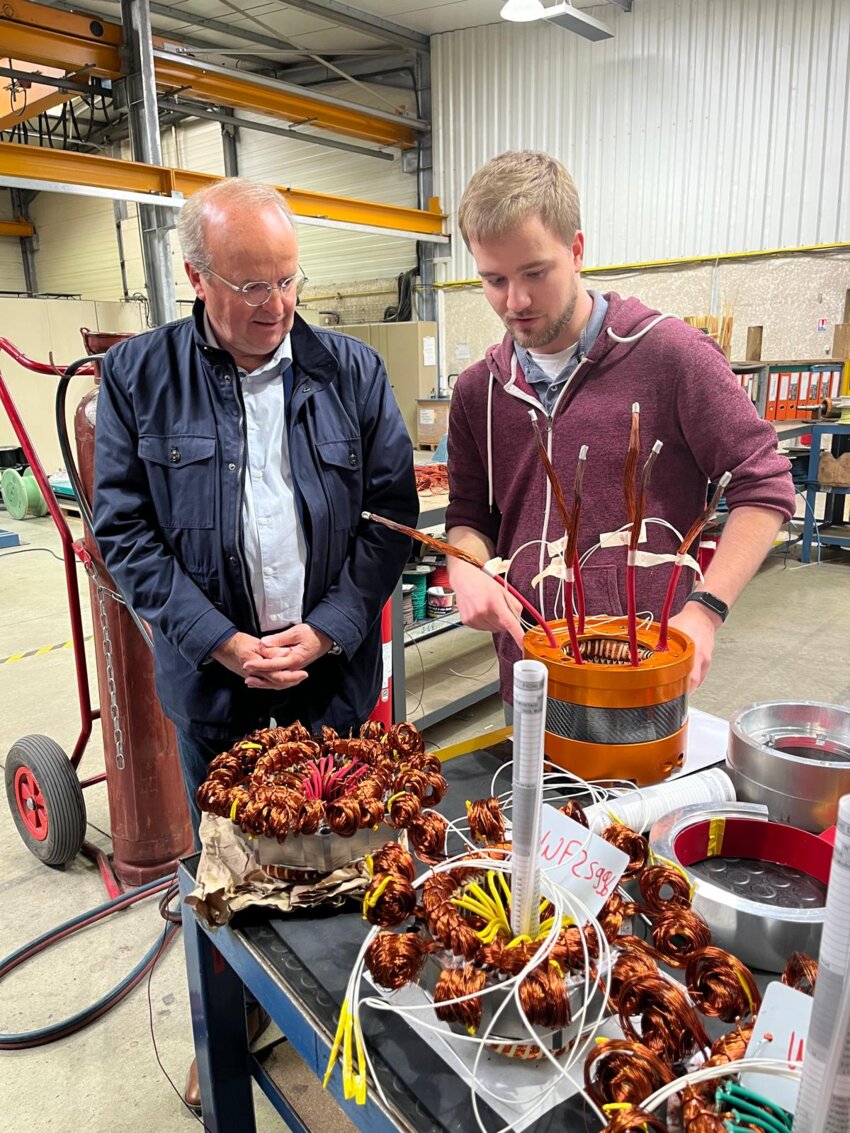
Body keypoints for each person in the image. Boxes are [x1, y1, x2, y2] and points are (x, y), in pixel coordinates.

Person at [93, 177, 417, 1109]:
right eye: (251, 286)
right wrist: (223, 642)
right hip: (218, 690)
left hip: (331, 683)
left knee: (347, 859)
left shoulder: (349, 371)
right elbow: (125, 533)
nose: (276, 306)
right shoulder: (139, 377)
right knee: (232, 876)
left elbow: (390, 518)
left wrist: (331, 631)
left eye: (288, 282)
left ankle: (359, 1021)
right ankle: (225, 1029)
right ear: (196, 275)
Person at [445, 150, 795, 707]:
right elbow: (468, 515)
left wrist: (706, 611)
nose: (516, 301)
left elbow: (766, 484)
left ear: (577, 250)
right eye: (494, 279)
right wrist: (465, 568)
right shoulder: (477, 392)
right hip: (528, 676)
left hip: (643, 678)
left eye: (535, 272)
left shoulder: (671, 357)